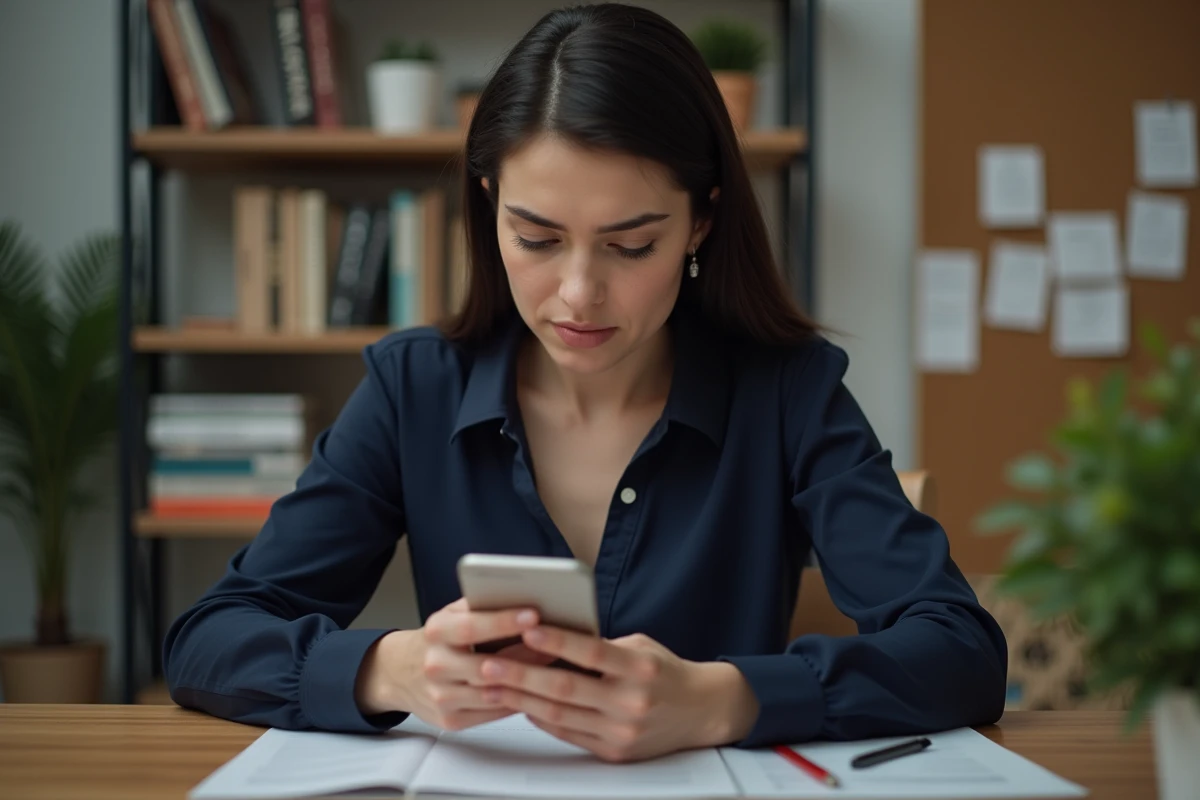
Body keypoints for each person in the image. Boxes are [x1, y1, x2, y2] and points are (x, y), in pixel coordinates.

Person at [163, 2, 1007, 763]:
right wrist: (389, 668)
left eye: (631, 245)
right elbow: (210, 638)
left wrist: (723, 699)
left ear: (701, 222)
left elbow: (962, 652)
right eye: (535, 237)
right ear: (488, 201)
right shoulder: (412, 387)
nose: (577, 294)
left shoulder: (786, 391)